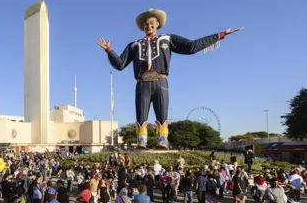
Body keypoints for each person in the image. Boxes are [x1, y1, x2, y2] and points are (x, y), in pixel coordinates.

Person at [98, 8, 243, 149]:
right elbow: (120, 64)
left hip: (161, 81)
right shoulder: (134, 45)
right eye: (146, 24)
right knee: (141, 115)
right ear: (142, 27)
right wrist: (108, 50)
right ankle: (141, 142)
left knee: (162, 113)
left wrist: (220, 35)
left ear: (158, 24)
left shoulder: (167, 39)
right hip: (142, 83)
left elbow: (192, 46)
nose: (149, 25)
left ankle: (163, 141)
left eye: (151, 23)